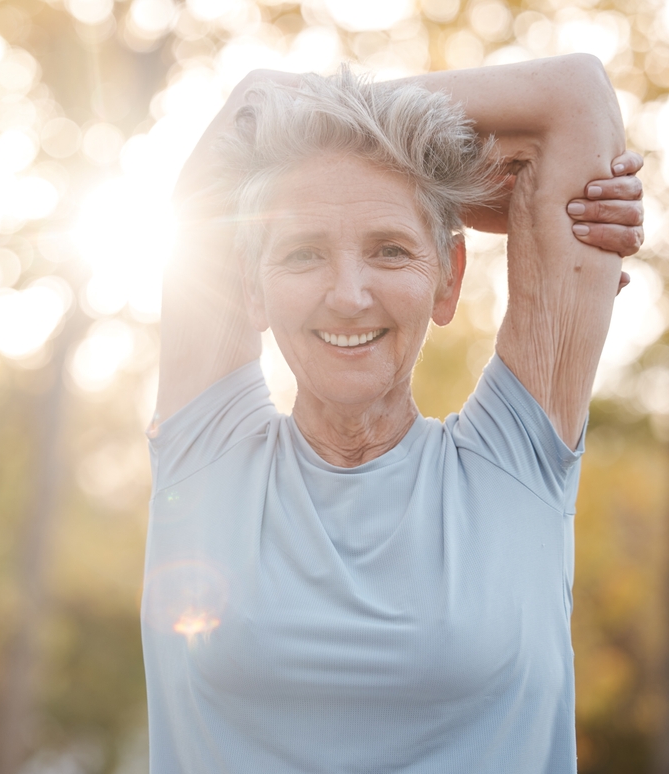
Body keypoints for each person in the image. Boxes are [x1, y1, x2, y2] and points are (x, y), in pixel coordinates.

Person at [141, 55, 645, 774]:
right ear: (250, 290)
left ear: (449, 278)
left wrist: (403, 170)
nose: (348, 294)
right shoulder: (207, 452)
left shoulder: (516, 461)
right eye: (304, 252)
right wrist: (420, 177)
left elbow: (575, 94)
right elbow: (254, 102)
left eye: (390, 249)